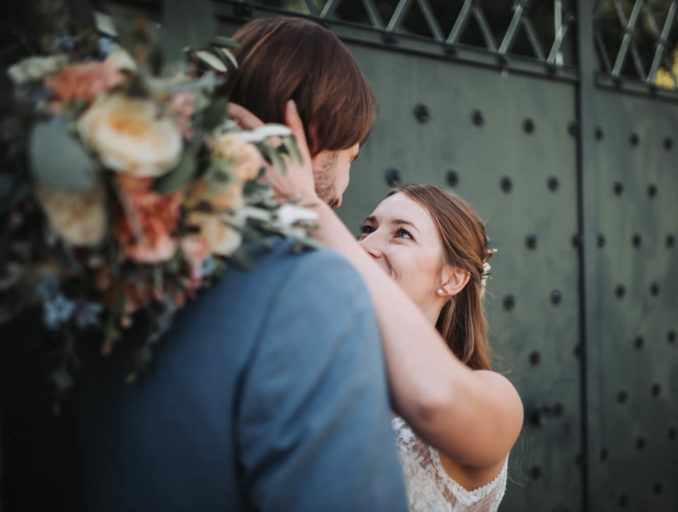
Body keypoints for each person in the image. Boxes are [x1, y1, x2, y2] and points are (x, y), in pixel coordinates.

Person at [0, 16, 408, 512]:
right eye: (352, 155)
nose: (342, 194)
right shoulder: (308, 289)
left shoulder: (65, 246)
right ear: (314, 136)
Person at [241, 93, 525, 510]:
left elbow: (433, 399)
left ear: (453, 278)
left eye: (402, 234)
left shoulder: (495, 397)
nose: (367, 245)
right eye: (367, 228)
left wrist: (308, 207)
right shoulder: (318, 371)